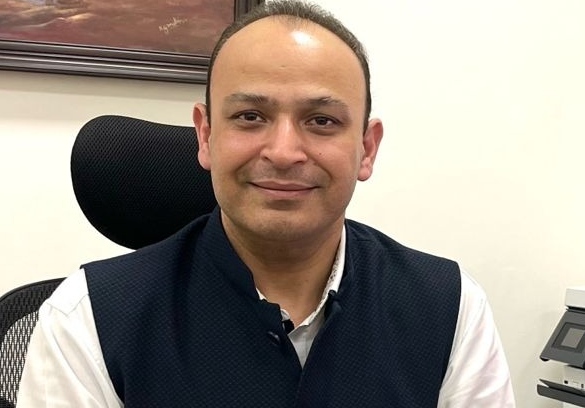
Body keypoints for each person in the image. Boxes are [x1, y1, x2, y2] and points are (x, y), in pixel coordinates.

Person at [17, 1, 515, 407]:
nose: (283, 152)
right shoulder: (86, 320)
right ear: (206, 136)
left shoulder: (451, 308)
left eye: (321, 121)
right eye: (250, 116)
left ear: (366, 148)